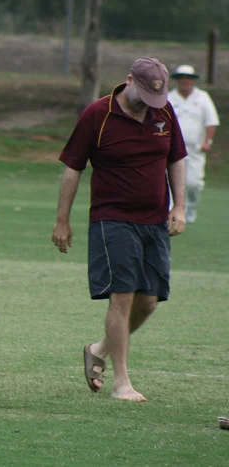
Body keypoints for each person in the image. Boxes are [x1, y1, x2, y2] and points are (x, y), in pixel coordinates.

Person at [52, 57, 187, 402]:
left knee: (149, 301)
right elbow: (72, 168)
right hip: (112, 220)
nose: (150, 104)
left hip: (154, 222)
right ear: (128, 80)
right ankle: (121, 382)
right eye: (144, 95)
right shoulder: (97, 114)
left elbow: (176, 158)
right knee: (122, 296)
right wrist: (62, 220)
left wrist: (180, 206)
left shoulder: (165, 112)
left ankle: (99, 348)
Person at [168, 64, 219, 223]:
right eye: (182, 77)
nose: (185, 80)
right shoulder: (169, 97)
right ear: (177, 80)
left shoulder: (202, 97)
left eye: (188, 77)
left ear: (192, 80)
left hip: (194, 149)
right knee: (170, 182)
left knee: (193, 183)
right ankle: (170, 212)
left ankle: (190, 208)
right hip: (173, 149)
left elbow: (211, 122)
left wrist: (207, 141)